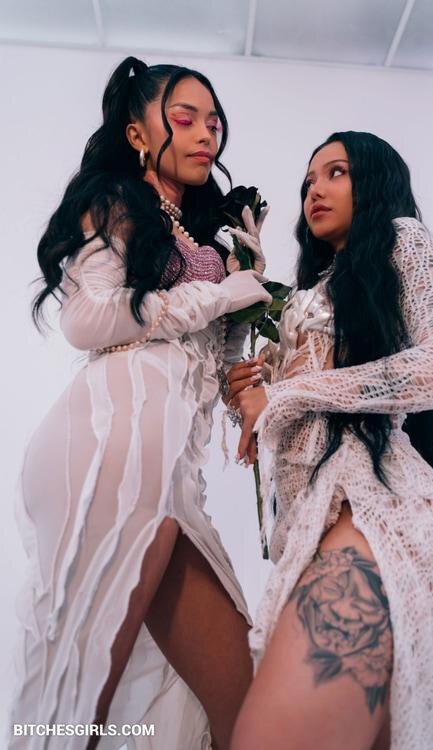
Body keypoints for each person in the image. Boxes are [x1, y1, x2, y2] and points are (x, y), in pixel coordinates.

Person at [7, 56, 272, 750]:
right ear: (136, 133)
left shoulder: (200, 231)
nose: (206, 133)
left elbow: (213, 357)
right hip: (112, 435)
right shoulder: (116, 202)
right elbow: (87, 319)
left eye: (214, 123)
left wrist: (245, 324)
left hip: (170, 458)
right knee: (80, 689)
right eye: (185, 118)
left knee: (245, 702)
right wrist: (219, 293)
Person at [226, 132, 433, 750]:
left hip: (373, 501)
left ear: (374, 181)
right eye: (309, 180)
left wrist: (288, 395)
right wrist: (250, 386)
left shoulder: (401, 237)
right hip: (308, 524)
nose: (316, 188)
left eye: (336, 172)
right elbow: (291, 408)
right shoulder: (312, 293)